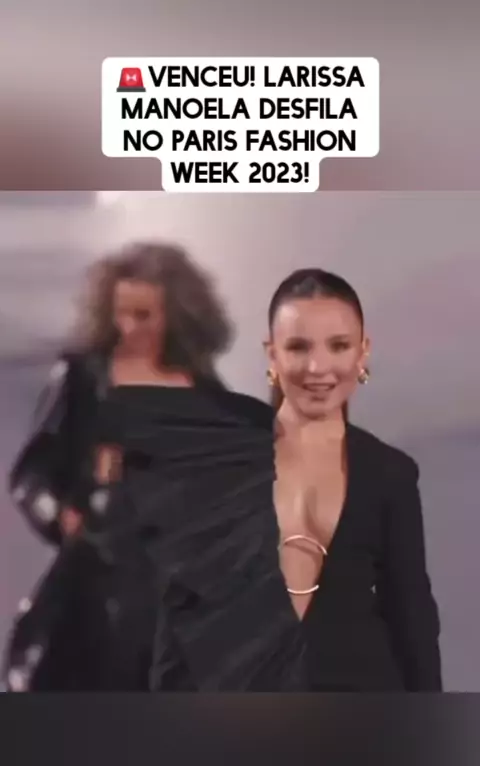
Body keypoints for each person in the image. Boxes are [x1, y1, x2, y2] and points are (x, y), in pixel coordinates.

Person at [3, 241, 233, 691]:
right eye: (121, 313)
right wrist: (63, 515)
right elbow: (32, 472)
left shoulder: (208, 397)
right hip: (94, 573)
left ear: (176, 315)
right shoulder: (84, 378)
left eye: (144, 315)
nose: (130, 327)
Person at [265, 267, 442, 691]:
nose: (318, 367)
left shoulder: (390, 473)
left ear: (362, 353)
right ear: (272, 355)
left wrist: (431, 722)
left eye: (339, 346)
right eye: (298, 346)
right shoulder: (220, 463)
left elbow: (413, 618)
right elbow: (181, 611)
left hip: (367, 711)